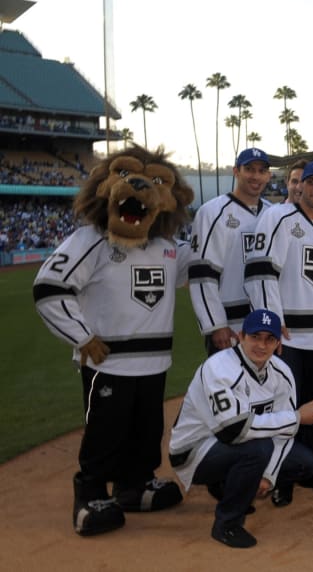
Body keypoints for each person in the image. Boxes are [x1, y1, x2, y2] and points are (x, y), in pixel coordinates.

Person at [32, 147, 192, 536]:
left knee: (147, 428)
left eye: (157, 182)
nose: (142, 188)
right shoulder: (91, 239)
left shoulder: (168, 247)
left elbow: (202, 265)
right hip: (109, 363)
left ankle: (133, 485)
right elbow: (50, 288)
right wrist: (82, 336)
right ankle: (89, 493)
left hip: (154, 363)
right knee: (105, 431)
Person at [245, 160, 313, 497]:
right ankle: (280, 475)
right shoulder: (278, 219)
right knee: (285, 409)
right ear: (301, 186)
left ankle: (308, 469)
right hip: (289, 337)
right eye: (310, 182)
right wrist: (271, 323)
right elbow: (261, 273)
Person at [168, 309, 313, 548]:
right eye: (255, 337)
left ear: (277, 343)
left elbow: (285, 433)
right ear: (241, 337)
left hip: (237, 446)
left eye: (269, 339)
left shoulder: (281, 372)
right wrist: (296, 417)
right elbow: (232, 430)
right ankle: (227, 524)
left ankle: (228, 484)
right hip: (195, 451)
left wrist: (268, 476)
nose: (261, 345)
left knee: (305, 463)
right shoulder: (218, 368)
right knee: (257, 449)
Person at [189, 147, 274, 355]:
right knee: (226, 385)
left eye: (261, 171)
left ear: (268, 176)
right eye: (249, 169)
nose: (256, 176)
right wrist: (215, 324)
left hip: (267, 326)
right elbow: (202, 273)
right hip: (230, 326)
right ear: (236, 171)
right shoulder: (212, 212)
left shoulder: (274, 214)